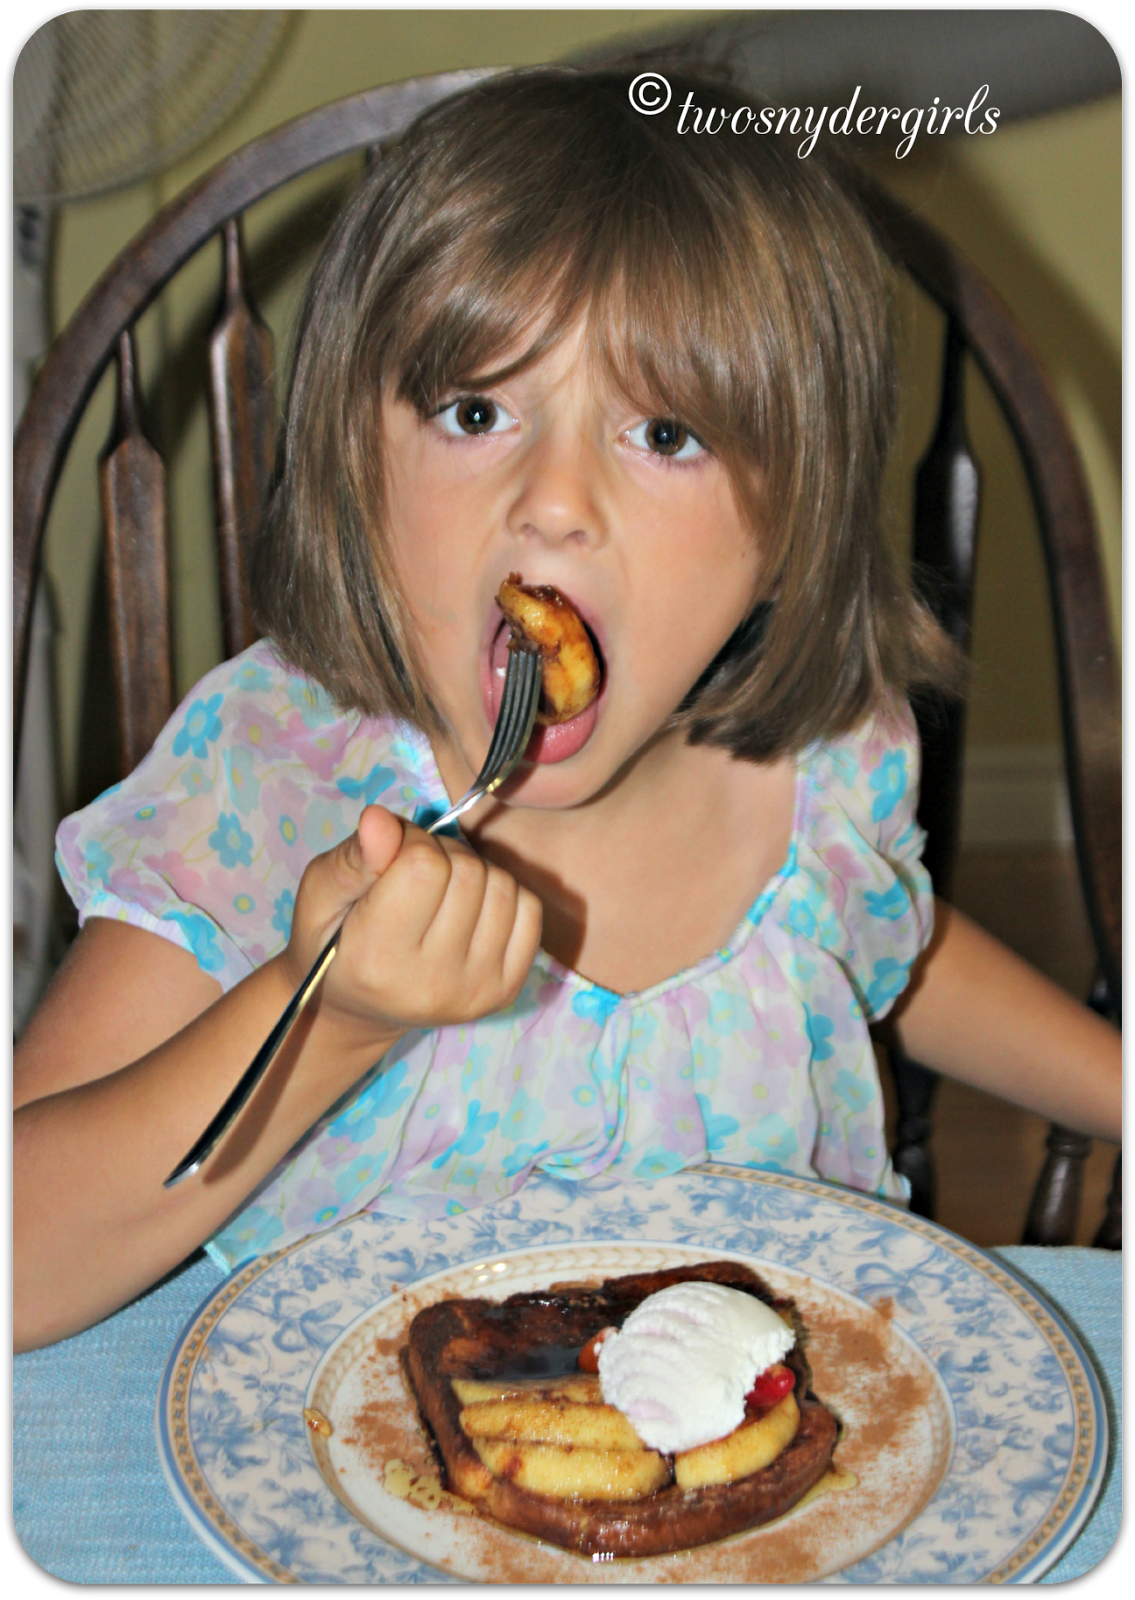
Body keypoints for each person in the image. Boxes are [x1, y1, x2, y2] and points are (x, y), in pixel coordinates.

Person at [14, 65, 1120, 1353]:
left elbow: (874, 941)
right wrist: (331, 1017)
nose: (555, 501)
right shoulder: (268, 793)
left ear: (792, 520)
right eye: (477, 410)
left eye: (664, 436)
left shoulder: (819, 766)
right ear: (353, 468)